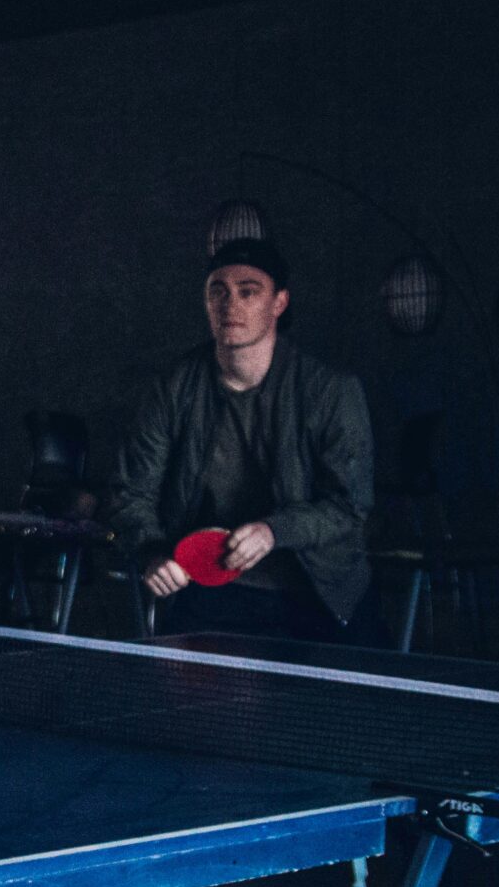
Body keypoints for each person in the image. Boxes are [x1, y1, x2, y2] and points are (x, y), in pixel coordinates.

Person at [108, 237, 382, 643]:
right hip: (213, 593)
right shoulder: (173, 388)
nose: (229, 304)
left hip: (316, 593)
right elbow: (130, 493)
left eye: (248, 291)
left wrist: (274, 531)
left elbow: (349, 506)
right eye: (217, 291)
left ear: (279, 303)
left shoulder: (331, 391)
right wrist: (151, 551)